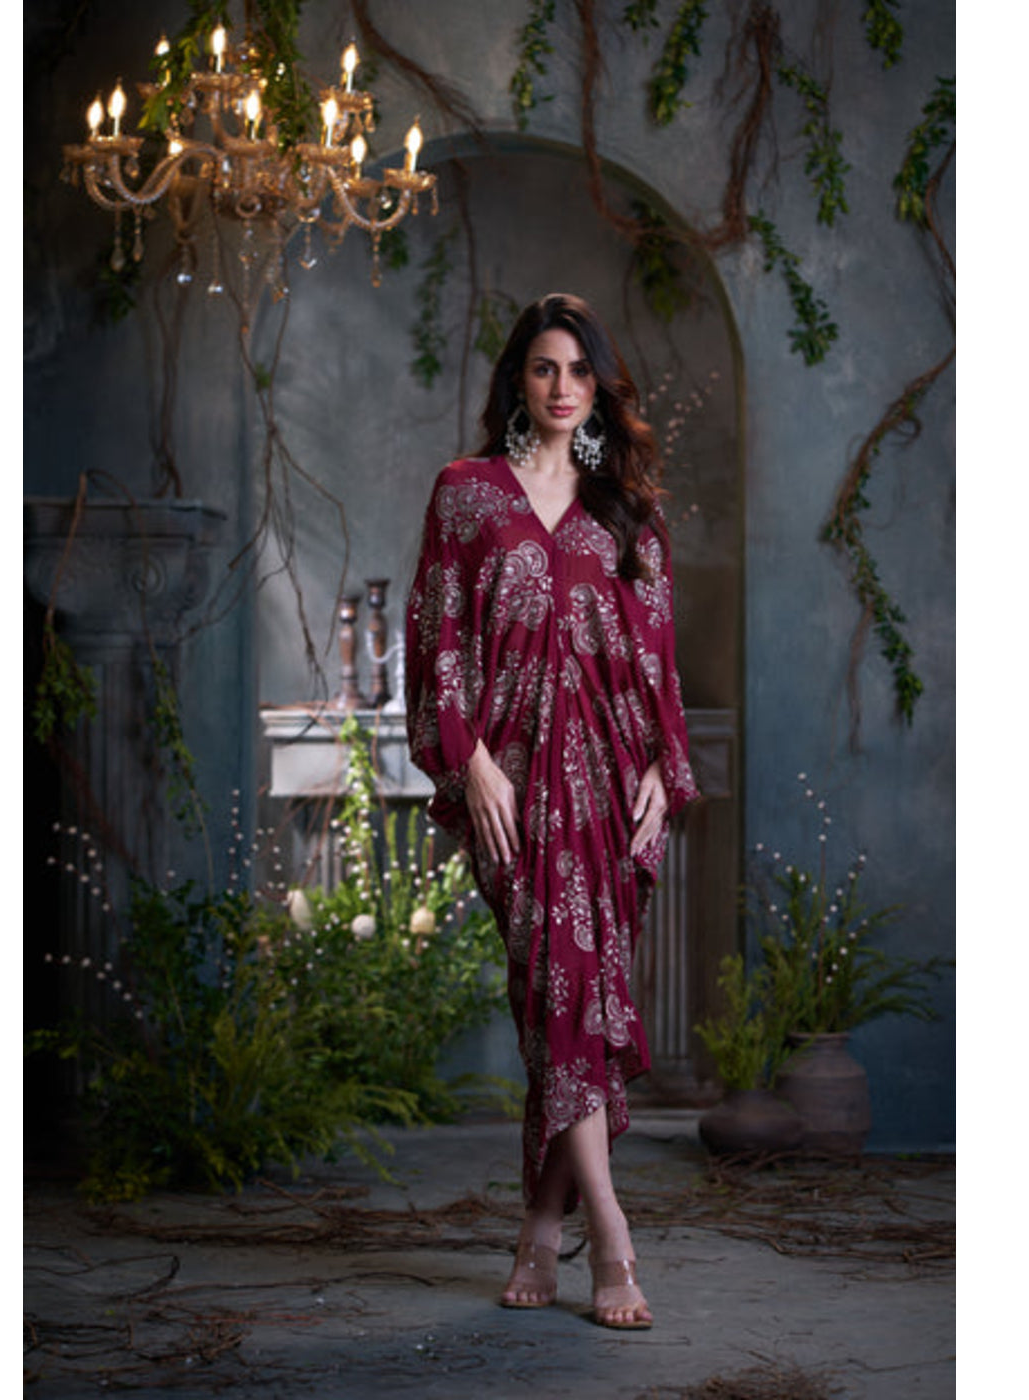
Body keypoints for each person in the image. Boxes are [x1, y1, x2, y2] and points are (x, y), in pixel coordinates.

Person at [405, 292, 698, 1329]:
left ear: (599, 383)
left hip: (612, 785)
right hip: (513, 787)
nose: (563, 386)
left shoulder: (627, 507)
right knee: (559, 984)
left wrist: (663, 762)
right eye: (544, 367)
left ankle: (540, 1225)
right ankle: (611, 1233)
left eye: (579, 369)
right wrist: (471, 762)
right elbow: (437, 636)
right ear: (518, 380)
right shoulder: (467, 494)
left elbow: (657, 654)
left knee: (574, 997)